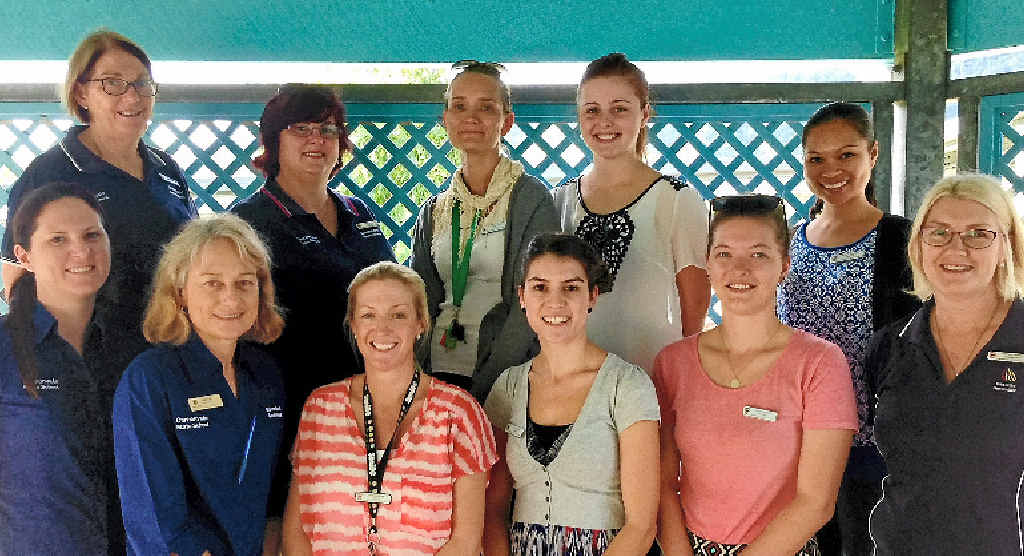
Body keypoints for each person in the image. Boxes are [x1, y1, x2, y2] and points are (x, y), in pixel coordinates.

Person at [232, 84, 396, 533]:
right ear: (273, 142)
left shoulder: (357, 211)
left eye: (328, 129)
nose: (317, 139)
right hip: (288, 412)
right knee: (290, 529)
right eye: (301, 128)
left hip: (365, 406)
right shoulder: (250, 221)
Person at [655, 195, 857, 556]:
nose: (740, 269)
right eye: (725, 254)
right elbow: (663, 481)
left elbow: (816, 502)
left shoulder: (820, 364)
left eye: (759, 254)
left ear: (784, 266)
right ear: (708, 264)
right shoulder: (673, 363)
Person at [2, 29, 196, 376]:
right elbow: (16, 277)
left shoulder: (166, 167)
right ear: (81, 91)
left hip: (170, 355)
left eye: (141, 83)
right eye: (113, 83)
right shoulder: (51, 172)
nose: (132, 96)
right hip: (90, 366)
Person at [776, 102, 920, 555]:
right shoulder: (790, 242)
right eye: (816, 158)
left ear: (873, 155)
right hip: (798, 442)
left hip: (872, 444)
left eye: (847, 155)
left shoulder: (903, 239)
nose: (831, 170)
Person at [282, 261, 497, 555]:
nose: (382, 328)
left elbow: (466, 543)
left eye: (398, 315)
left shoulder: (458, 413)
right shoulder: (320, 408)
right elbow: (296, 533)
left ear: (421, 323)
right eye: (368, 315)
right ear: (354, 325)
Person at [866, 174, 1024, 555]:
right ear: (918, 245)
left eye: (978, 233)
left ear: (1006, 245)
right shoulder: (890, 345)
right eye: (938, 233)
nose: (957, 248)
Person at [113, 214, 286, 556]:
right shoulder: (150, 380)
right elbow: (157, 521)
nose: (231, 298)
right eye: (212, 283)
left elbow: (271, 498)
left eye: (244, 283)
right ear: (179, 293)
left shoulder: (265, 376)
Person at [483, 233, 660, 555]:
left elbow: (642, 525)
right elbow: (492, 512)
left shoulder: (627, 386)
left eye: (571, 287)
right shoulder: (508, 388)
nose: (555, 302)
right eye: (540, 287)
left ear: (592, 296)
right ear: (522, 297)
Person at [409, 61, 559, 400]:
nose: (471, 117)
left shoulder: (530, 199)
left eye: (486, 107)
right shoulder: (434, 211)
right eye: (459, 106)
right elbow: (420, 300)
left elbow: (534, 301)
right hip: (437, 375)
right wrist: (421, 378)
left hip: (506, 378)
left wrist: (488, 385)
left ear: (506, 122)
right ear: (445, 119)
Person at [553, 53, 710, 375]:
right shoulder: (560, 201)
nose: (604, 122)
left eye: (619, 109)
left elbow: (693, 312)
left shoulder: (678, 200)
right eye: (592, 110)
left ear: (644, 114)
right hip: (573, 383)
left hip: (651, 383)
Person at [0, 183, 118, 554]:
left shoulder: (133, 347)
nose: (81, 250)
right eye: (57, 240)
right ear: (25, 256)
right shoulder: (5, 350)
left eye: (91, 234)